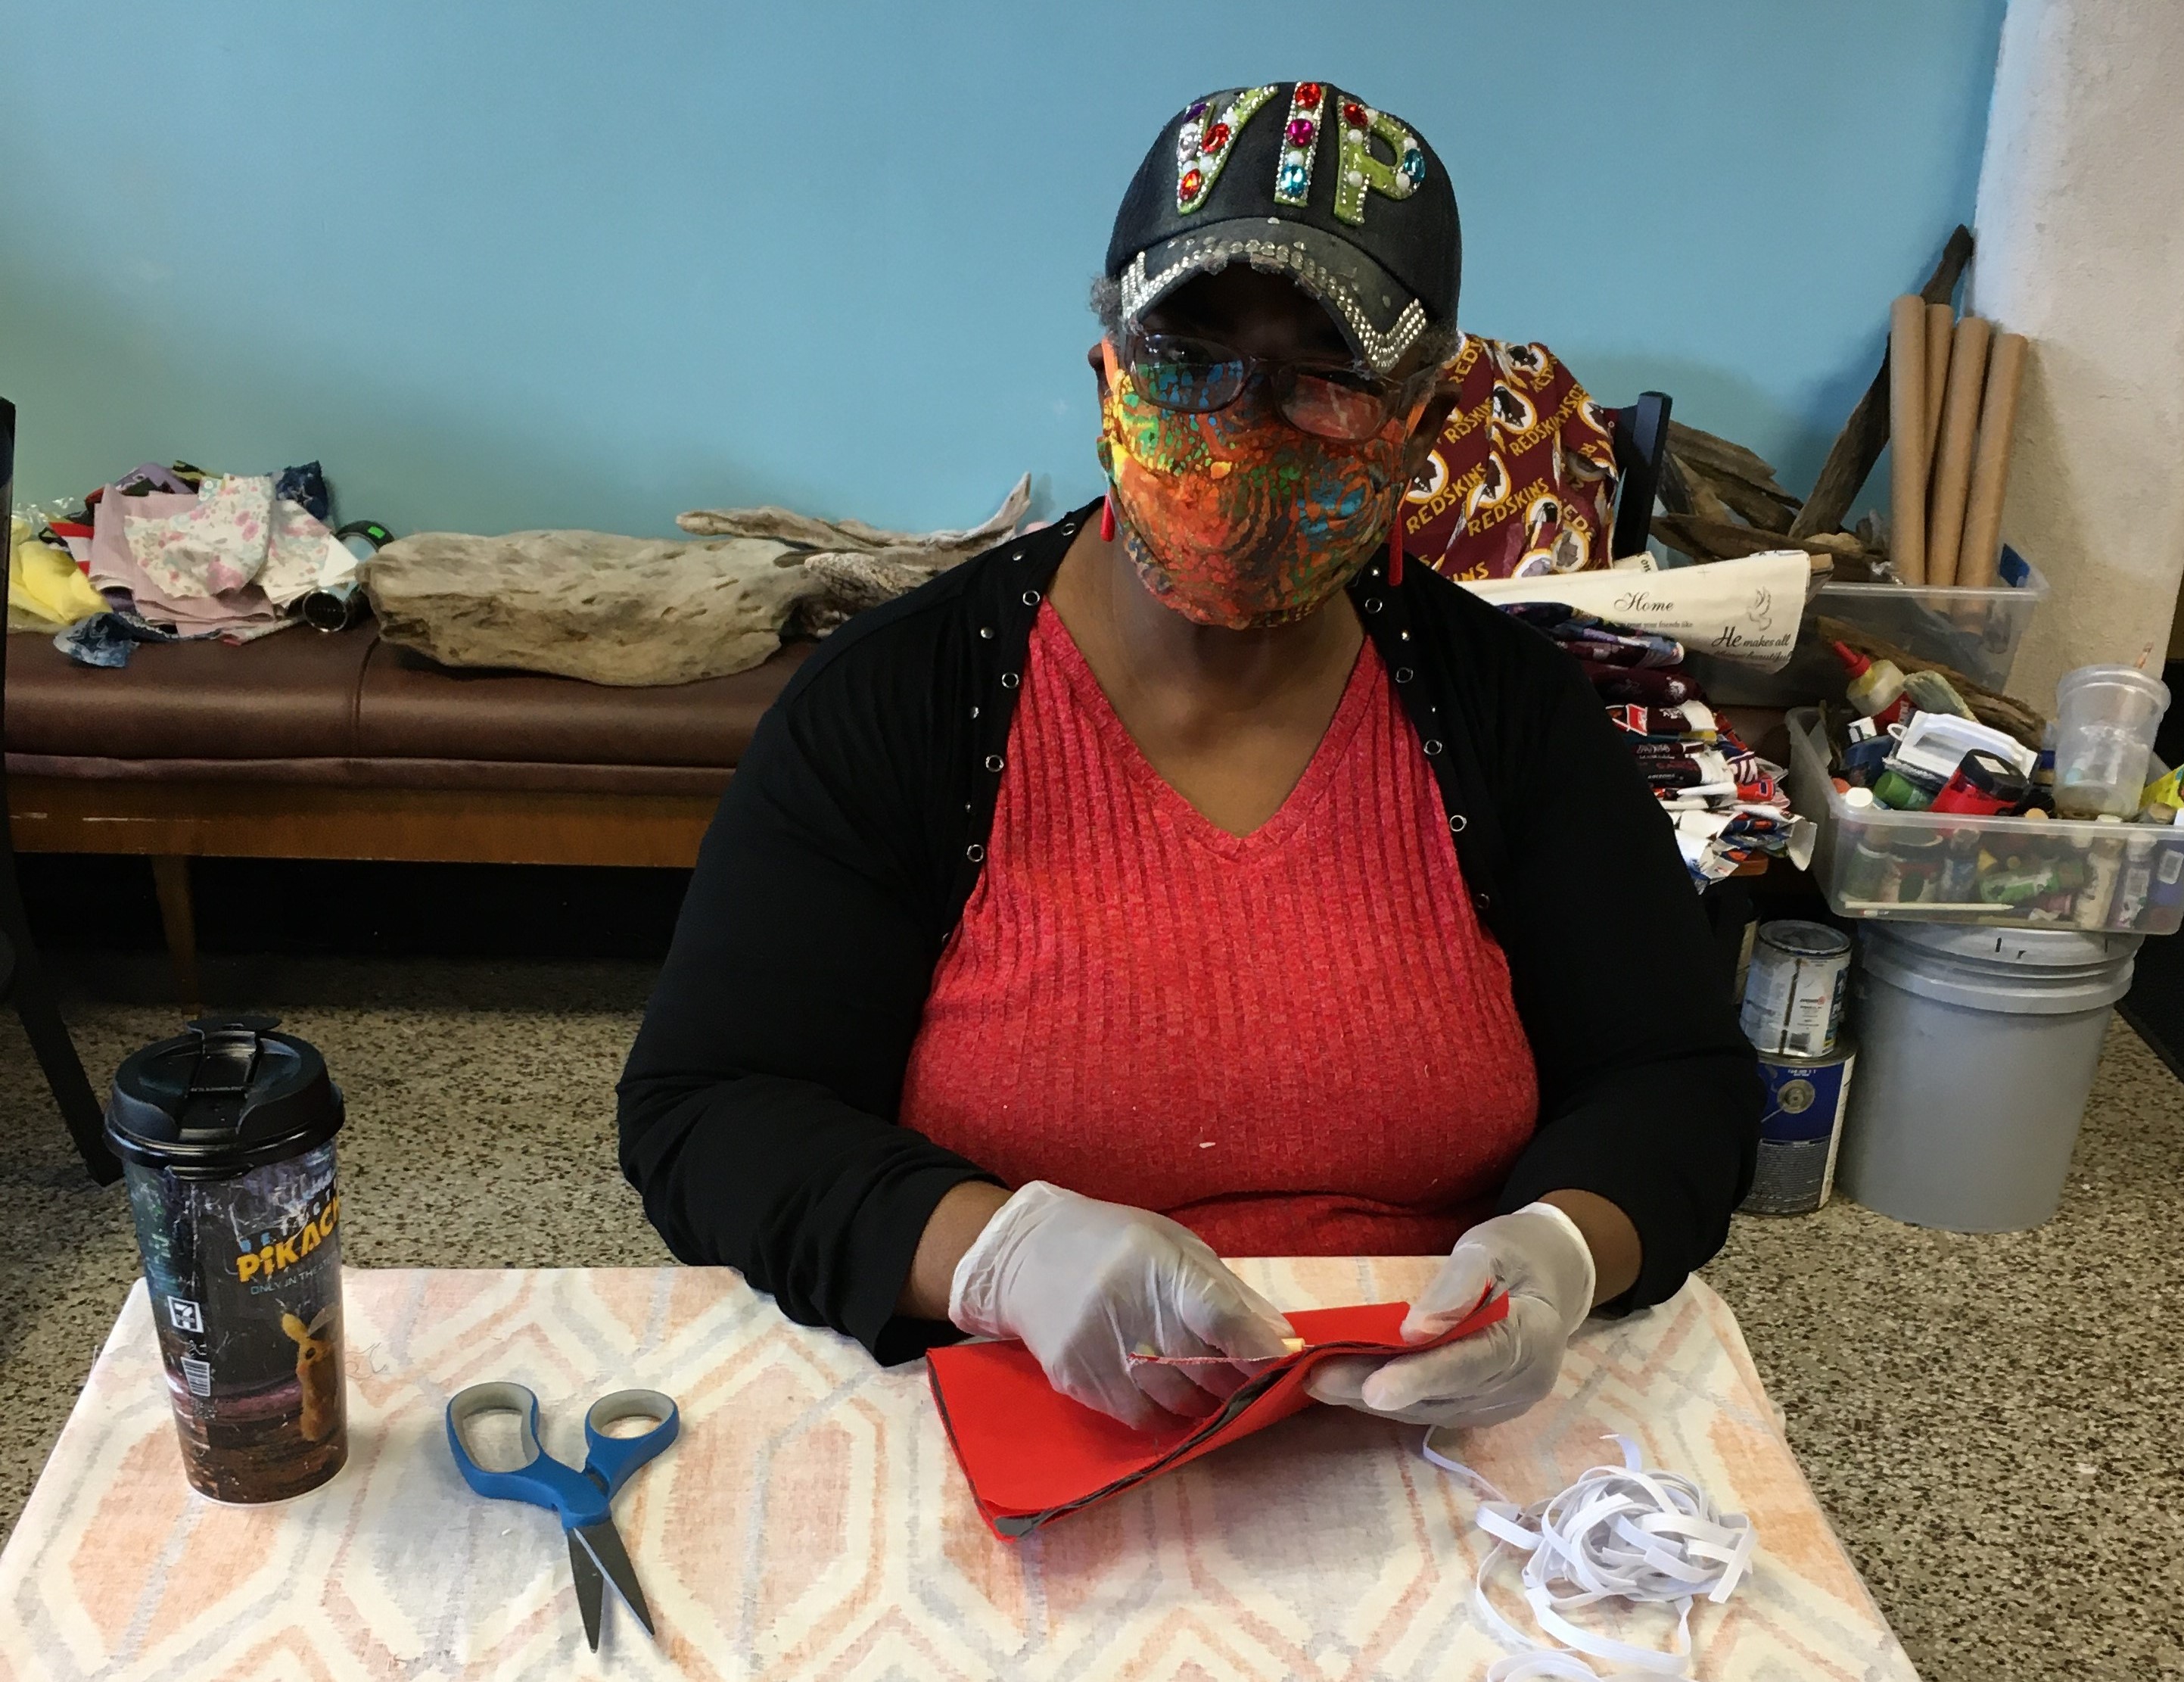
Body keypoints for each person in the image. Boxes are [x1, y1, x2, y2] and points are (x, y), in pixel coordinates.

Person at [618, 82, 1758, 1432]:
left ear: (1424, 419)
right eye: (1189, 350)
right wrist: (994, 1254)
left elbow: (1677, 1080)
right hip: (1018, 1416)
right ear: (1106, 364)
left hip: (1430, 1425)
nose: (1243, 425)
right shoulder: (904, 704)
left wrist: (1567, 1248)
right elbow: (709, 1109)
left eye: (1327, 376)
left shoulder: (1500, 709)